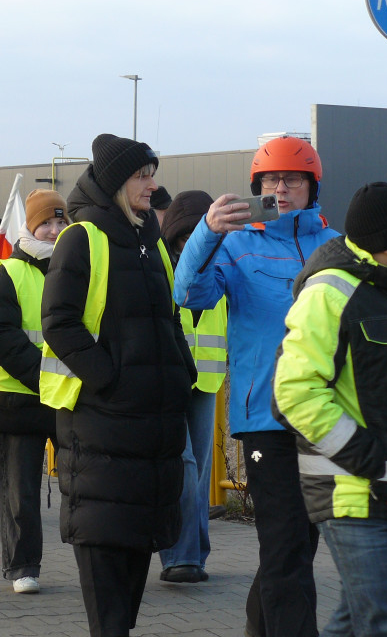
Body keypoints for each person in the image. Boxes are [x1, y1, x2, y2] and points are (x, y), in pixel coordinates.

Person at [173, 135, 338, 637]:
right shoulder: (236, 243)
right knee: (286, 548)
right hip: (265, 416)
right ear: (256, 187)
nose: (281, 189)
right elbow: (188, 292)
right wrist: (206, 232)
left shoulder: (334, 247)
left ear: (312, 187)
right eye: (270, 181)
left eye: (292, 179)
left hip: (324, 415)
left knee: (294, 548)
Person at [41, 134, 194, 637]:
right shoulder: (82, 238)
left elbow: (168, 319)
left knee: (132, 557)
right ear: (114, 183)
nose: (153, 185)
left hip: (150, 428)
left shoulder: (148, 237)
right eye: (142, 175)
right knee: (105, 552)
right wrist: (111, 379)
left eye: (153, 173)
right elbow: (59, 321)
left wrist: (179, 373)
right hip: (102, 424)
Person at [273, 181, 387, 637]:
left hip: (380, 486)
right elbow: (294, 393)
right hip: (349, 492)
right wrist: (371, 461)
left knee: (356, 617)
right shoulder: (329, 293)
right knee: (381, 618)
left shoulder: (383, 284)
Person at [0, 189, 67, 595]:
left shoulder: (78, 270)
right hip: (19, 397)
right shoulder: (8, 273)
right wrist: (45, 375)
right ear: (29, 228)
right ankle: (22, 567)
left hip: (69, 396)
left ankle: (92, 555)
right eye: (45, 223)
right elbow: (2, 334)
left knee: (81, 482)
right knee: (20, 492)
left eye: (59, 222)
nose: (53, 230)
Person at [157, 191, 228, 583]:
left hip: (207, 381)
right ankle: (179, 557)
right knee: (182, 468)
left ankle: (194, 556)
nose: (189, 246)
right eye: (183, 238)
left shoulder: (224, 267)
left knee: (199, 472)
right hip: (167, 381)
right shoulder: (159, 268)